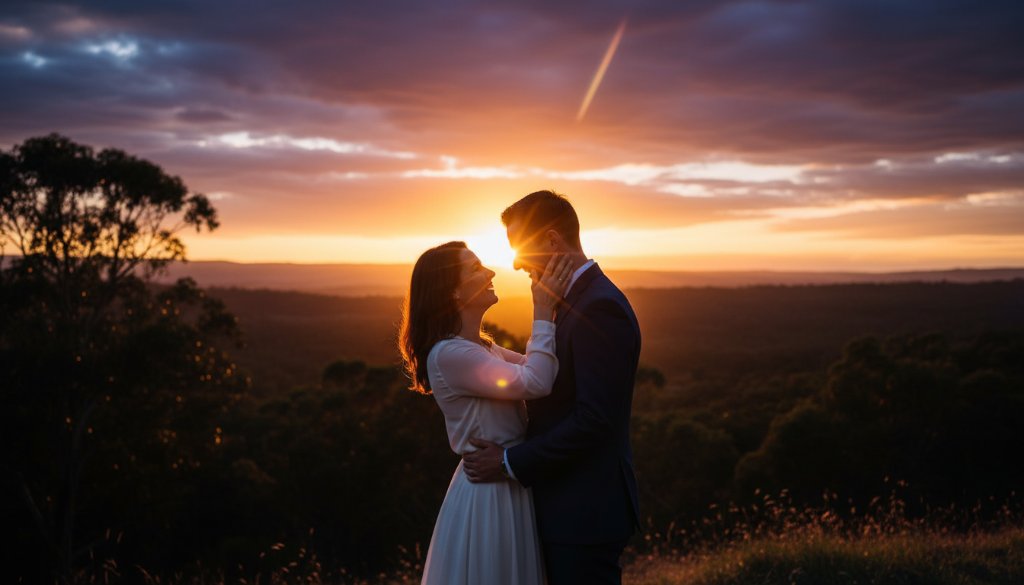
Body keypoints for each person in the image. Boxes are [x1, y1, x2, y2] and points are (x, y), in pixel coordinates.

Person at [463, 190, 642, 585]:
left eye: (520, 248)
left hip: (584, 513)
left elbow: (595, 420)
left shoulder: (599, 306)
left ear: (551, 241)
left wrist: (509, 462)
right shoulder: (566, 298)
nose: (514, 263)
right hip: (564, 505)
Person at [398, 240, 574, 585]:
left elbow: (544, 372)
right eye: (476, 269)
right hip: (488, 495)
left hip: (507, 481)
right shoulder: (449, 354)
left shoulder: (483, 347)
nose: (491, 272)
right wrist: (541, 309)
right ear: (453, 294)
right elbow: (536, 381)